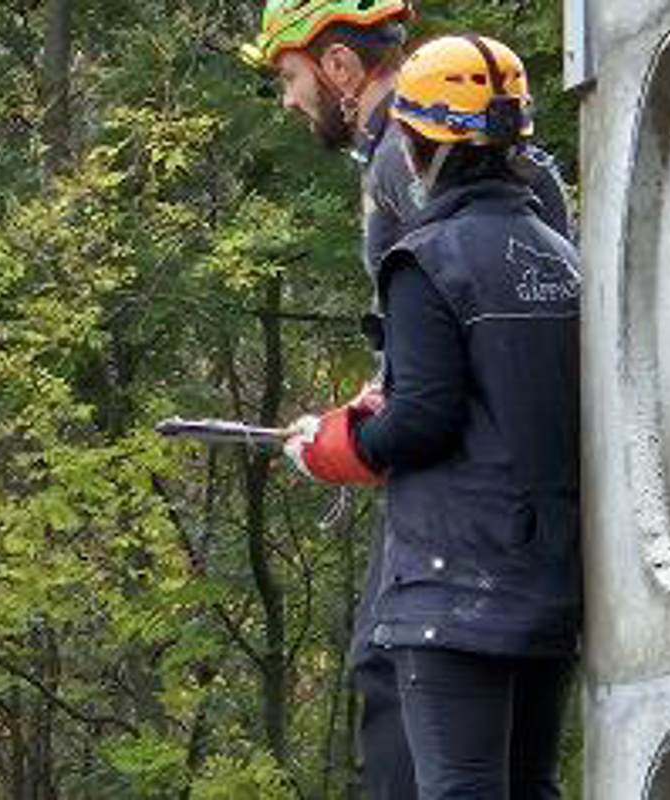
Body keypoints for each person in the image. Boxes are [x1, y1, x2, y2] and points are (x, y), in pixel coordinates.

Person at [242, 3, 571, 798]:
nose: (287, 101)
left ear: (340, 69)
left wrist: (353, 437)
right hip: (537, 530)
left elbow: (446, 341)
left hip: (462, 520)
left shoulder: (405, 159)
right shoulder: (541, 221)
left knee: (392, 697)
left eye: (289, 77)